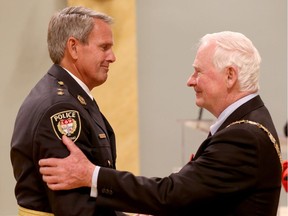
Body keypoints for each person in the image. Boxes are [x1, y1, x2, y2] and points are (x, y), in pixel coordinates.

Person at [39, 31, 283, 215]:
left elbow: (171, 194)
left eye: (198, 72)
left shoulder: (243, 137)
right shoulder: (249, 122)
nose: (191, 81)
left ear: (230, 76)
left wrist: (91, 175)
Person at [10, 6, 124, 216]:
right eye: (104, 47)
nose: (112, 57)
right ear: (73, 48)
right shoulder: (61, 110)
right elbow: (76, 208)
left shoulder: (68, 96)